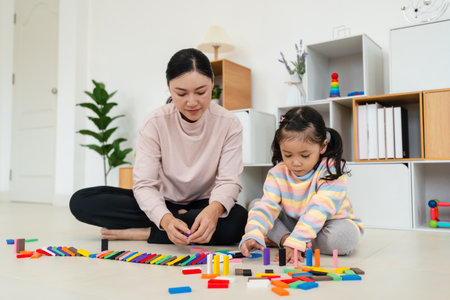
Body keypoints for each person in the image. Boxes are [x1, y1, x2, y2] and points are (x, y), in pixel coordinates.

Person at [70, 48, 248, 245]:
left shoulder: (229, 124)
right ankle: (173, 224)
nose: (192, 102)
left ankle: (147, 233)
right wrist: (166, 218)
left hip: (204, 204)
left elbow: (229, 181)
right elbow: (145, 184)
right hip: (163, 202)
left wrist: (214, 210)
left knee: (238, 220)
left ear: (212, 82)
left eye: (201, 92)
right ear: (170, 89)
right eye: (181, 93)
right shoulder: (154, 123)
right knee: (82, 201)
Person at [239, 106, 363, 263]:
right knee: (256, 205)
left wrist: (297, 240)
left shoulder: (331, 170)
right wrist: (253, 234)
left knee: (343, 237)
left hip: (327, 222)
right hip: (293, 223)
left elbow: (321, 208)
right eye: (288, 155)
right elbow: (268, 206)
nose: (296, 163)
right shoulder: (278, 173)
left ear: (323, 146)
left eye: (305, 155)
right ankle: (289, 239)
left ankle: (292, 241)